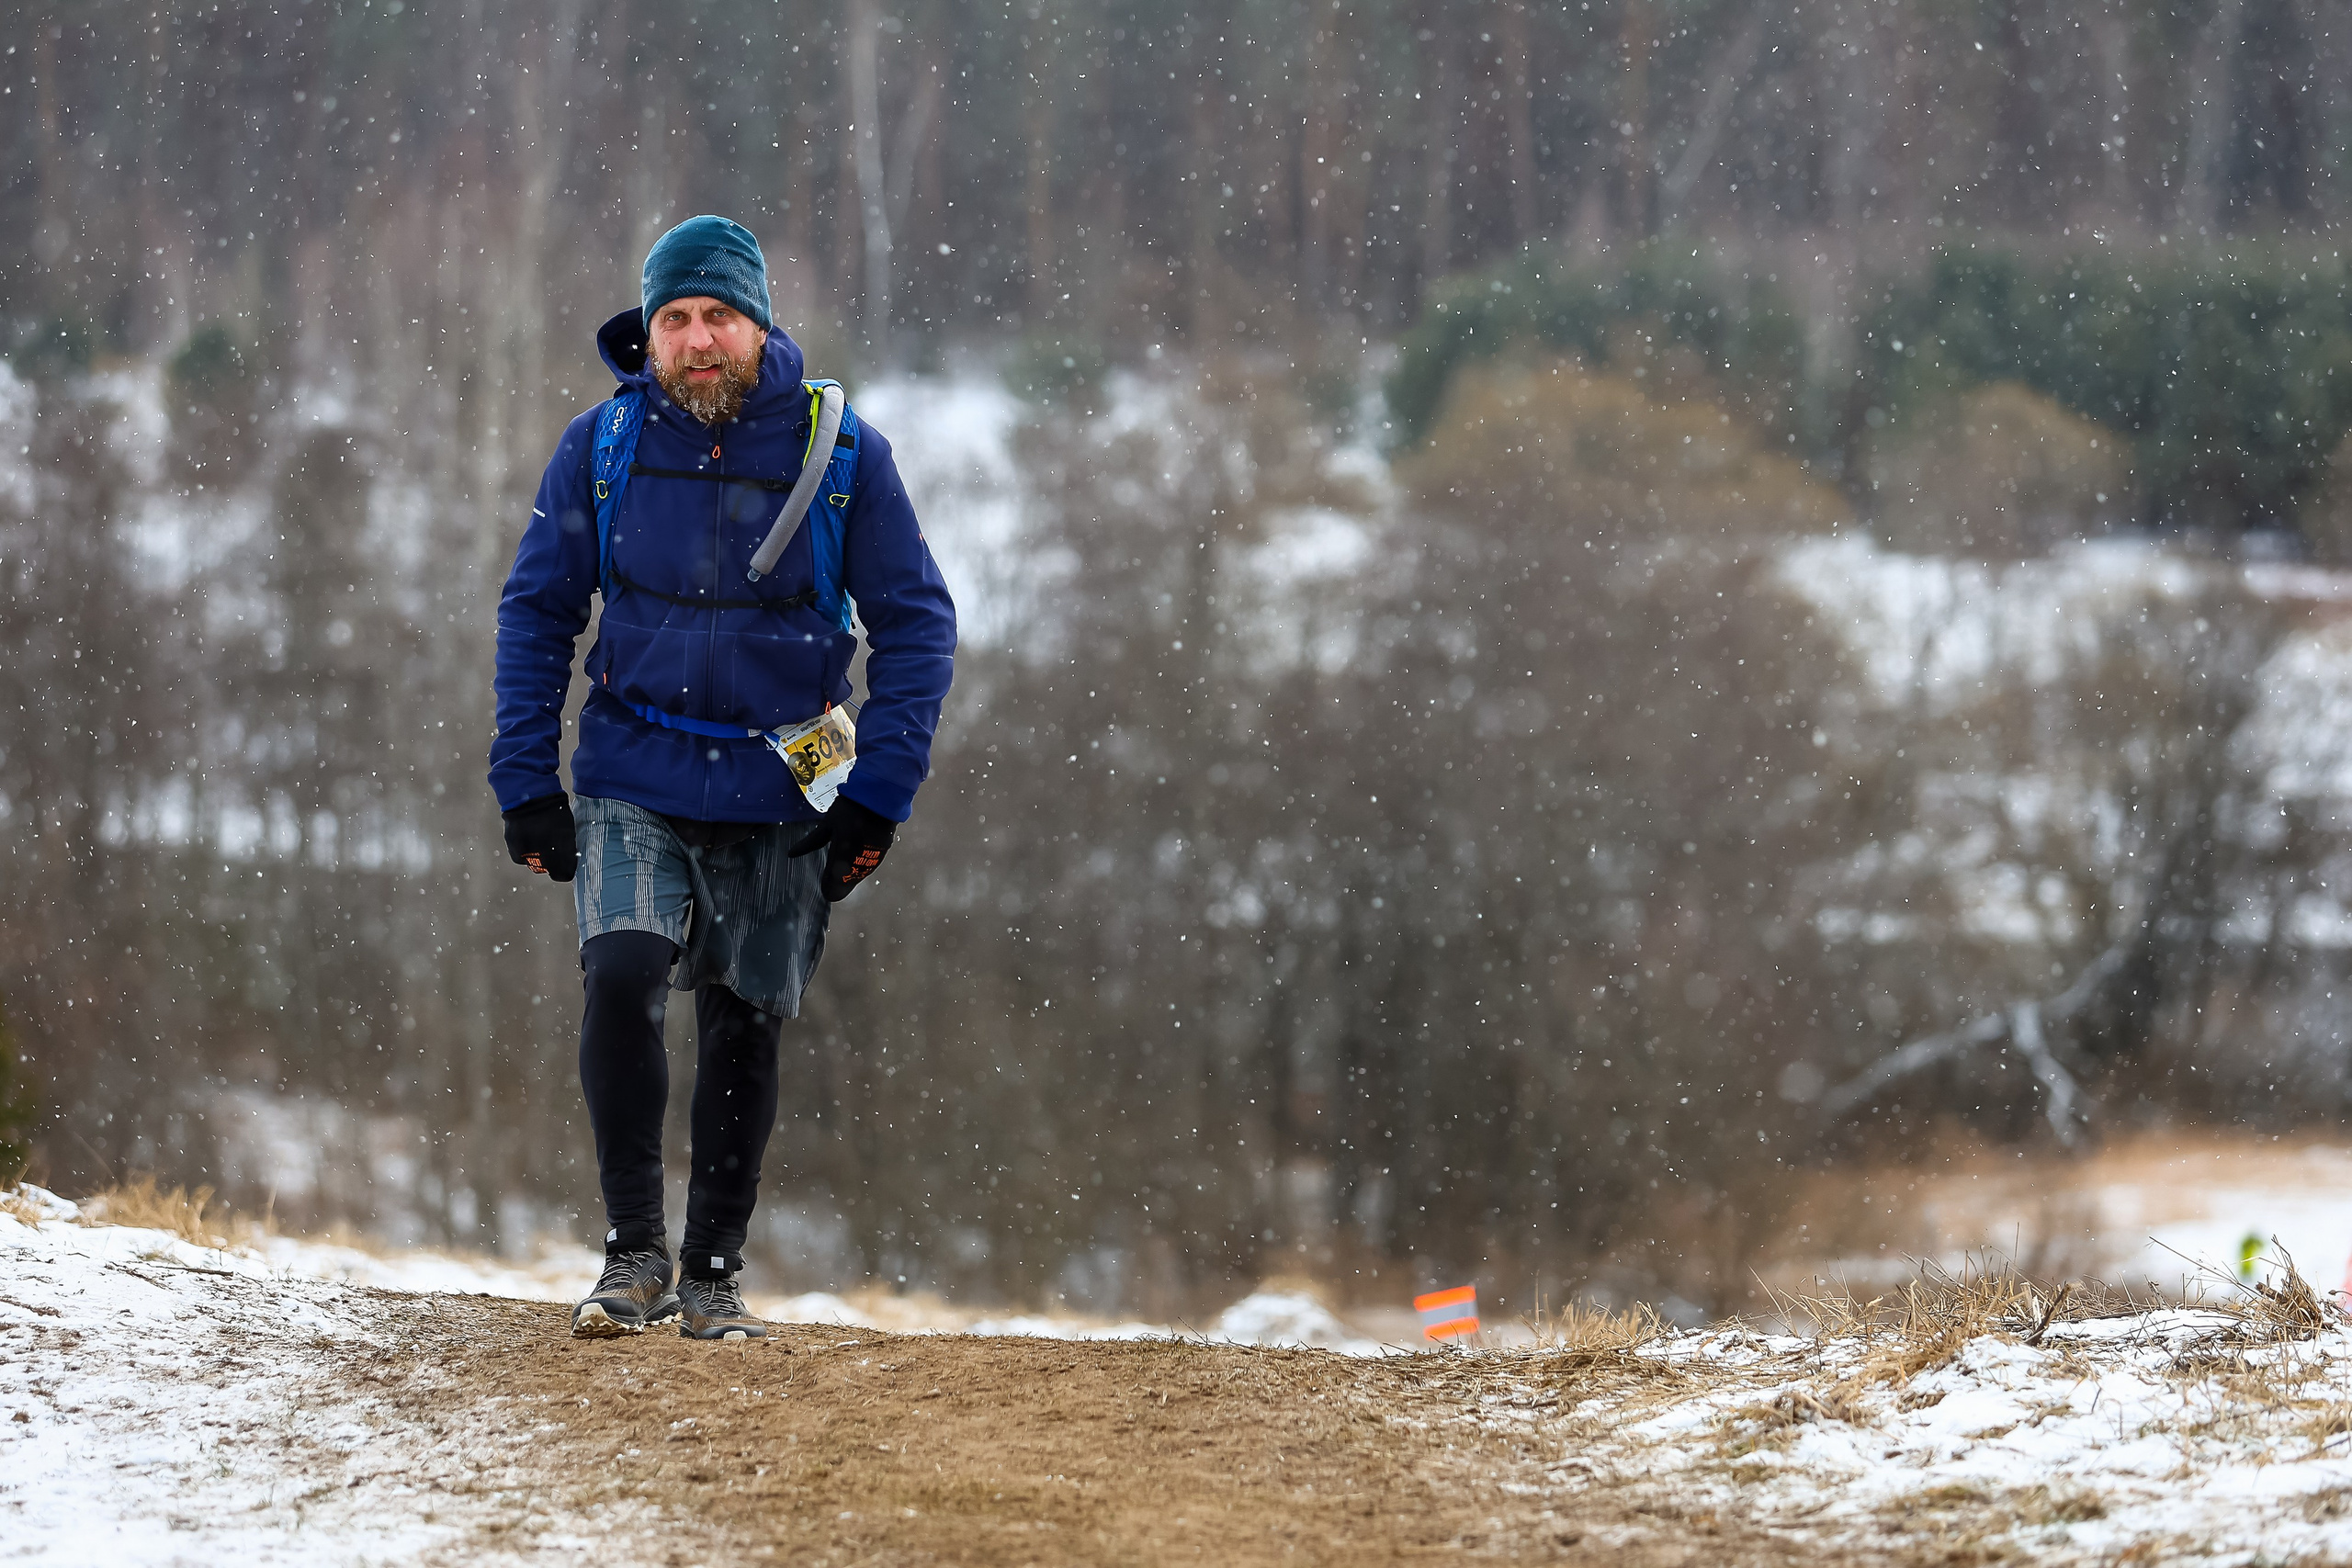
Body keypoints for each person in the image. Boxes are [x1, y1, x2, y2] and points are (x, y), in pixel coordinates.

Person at [490, 215, 956, 1341]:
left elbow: (918, 627)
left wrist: (878, 795)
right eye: (677, 320)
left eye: (720, 317)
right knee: (623, 977)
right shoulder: (598, 447)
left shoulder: (844, 456)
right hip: (630, 767)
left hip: (784, 779)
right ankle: (633, 1256)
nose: (699, 341)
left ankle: (710, 1274)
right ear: (648, 334)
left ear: (760, 324)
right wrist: (524, 776)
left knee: (747, 1018)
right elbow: (537, 613)